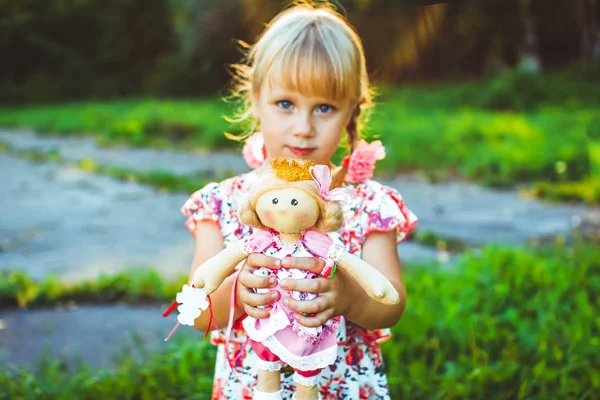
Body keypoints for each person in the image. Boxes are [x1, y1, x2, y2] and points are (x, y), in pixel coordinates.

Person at [180, 2, 418, 399]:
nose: (304, 128)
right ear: (255, 100)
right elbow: (199, 311)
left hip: (340, 388)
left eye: (324, 107)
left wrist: (346, 296)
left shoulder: (366, 204)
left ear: (351, 112)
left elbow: (390, 302)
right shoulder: (223, 202)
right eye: (286, 104)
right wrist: (237, 292)